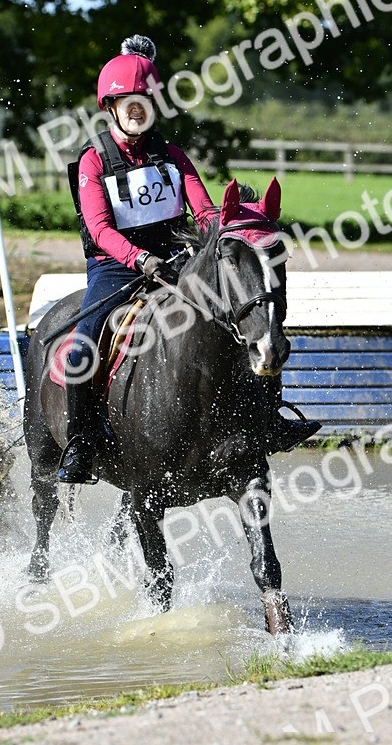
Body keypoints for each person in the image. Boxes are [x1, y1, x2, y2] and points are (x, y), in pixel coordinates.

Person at [58, 34, 320, 484]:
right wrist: (139, 258)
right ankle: (83, 440)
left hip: (175, 264)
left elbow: (204, 211)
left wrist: (237, 225)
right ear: (111, 107)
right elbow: (100, 229)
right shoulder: (93, 161)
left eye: (145, 102)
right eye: (129, 103)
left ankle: (267, 417)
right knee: (84, 342)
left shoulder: (173, 157)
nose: (138, 110)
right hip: (115, 268)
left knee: (241, 317)